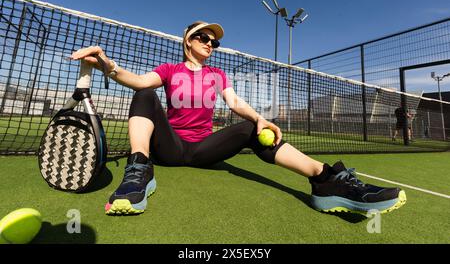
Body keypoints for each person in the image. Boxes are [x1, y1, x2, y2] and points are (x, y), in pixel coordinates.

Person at [70, 21, 407, 216]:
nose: (211, 44)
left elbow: (234, 102)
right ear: (188, 41)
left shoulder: (217, 74)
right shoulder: (169, 70)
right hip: (170, 148)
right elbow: (139, 82)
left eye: (214, 41)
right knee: (145, 94)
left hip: (204, 150)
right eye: (204, 37)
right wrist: (106, 64)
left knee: (252, 127)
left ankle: (326, 179)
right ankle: (138, 172)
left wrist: (261, 119)